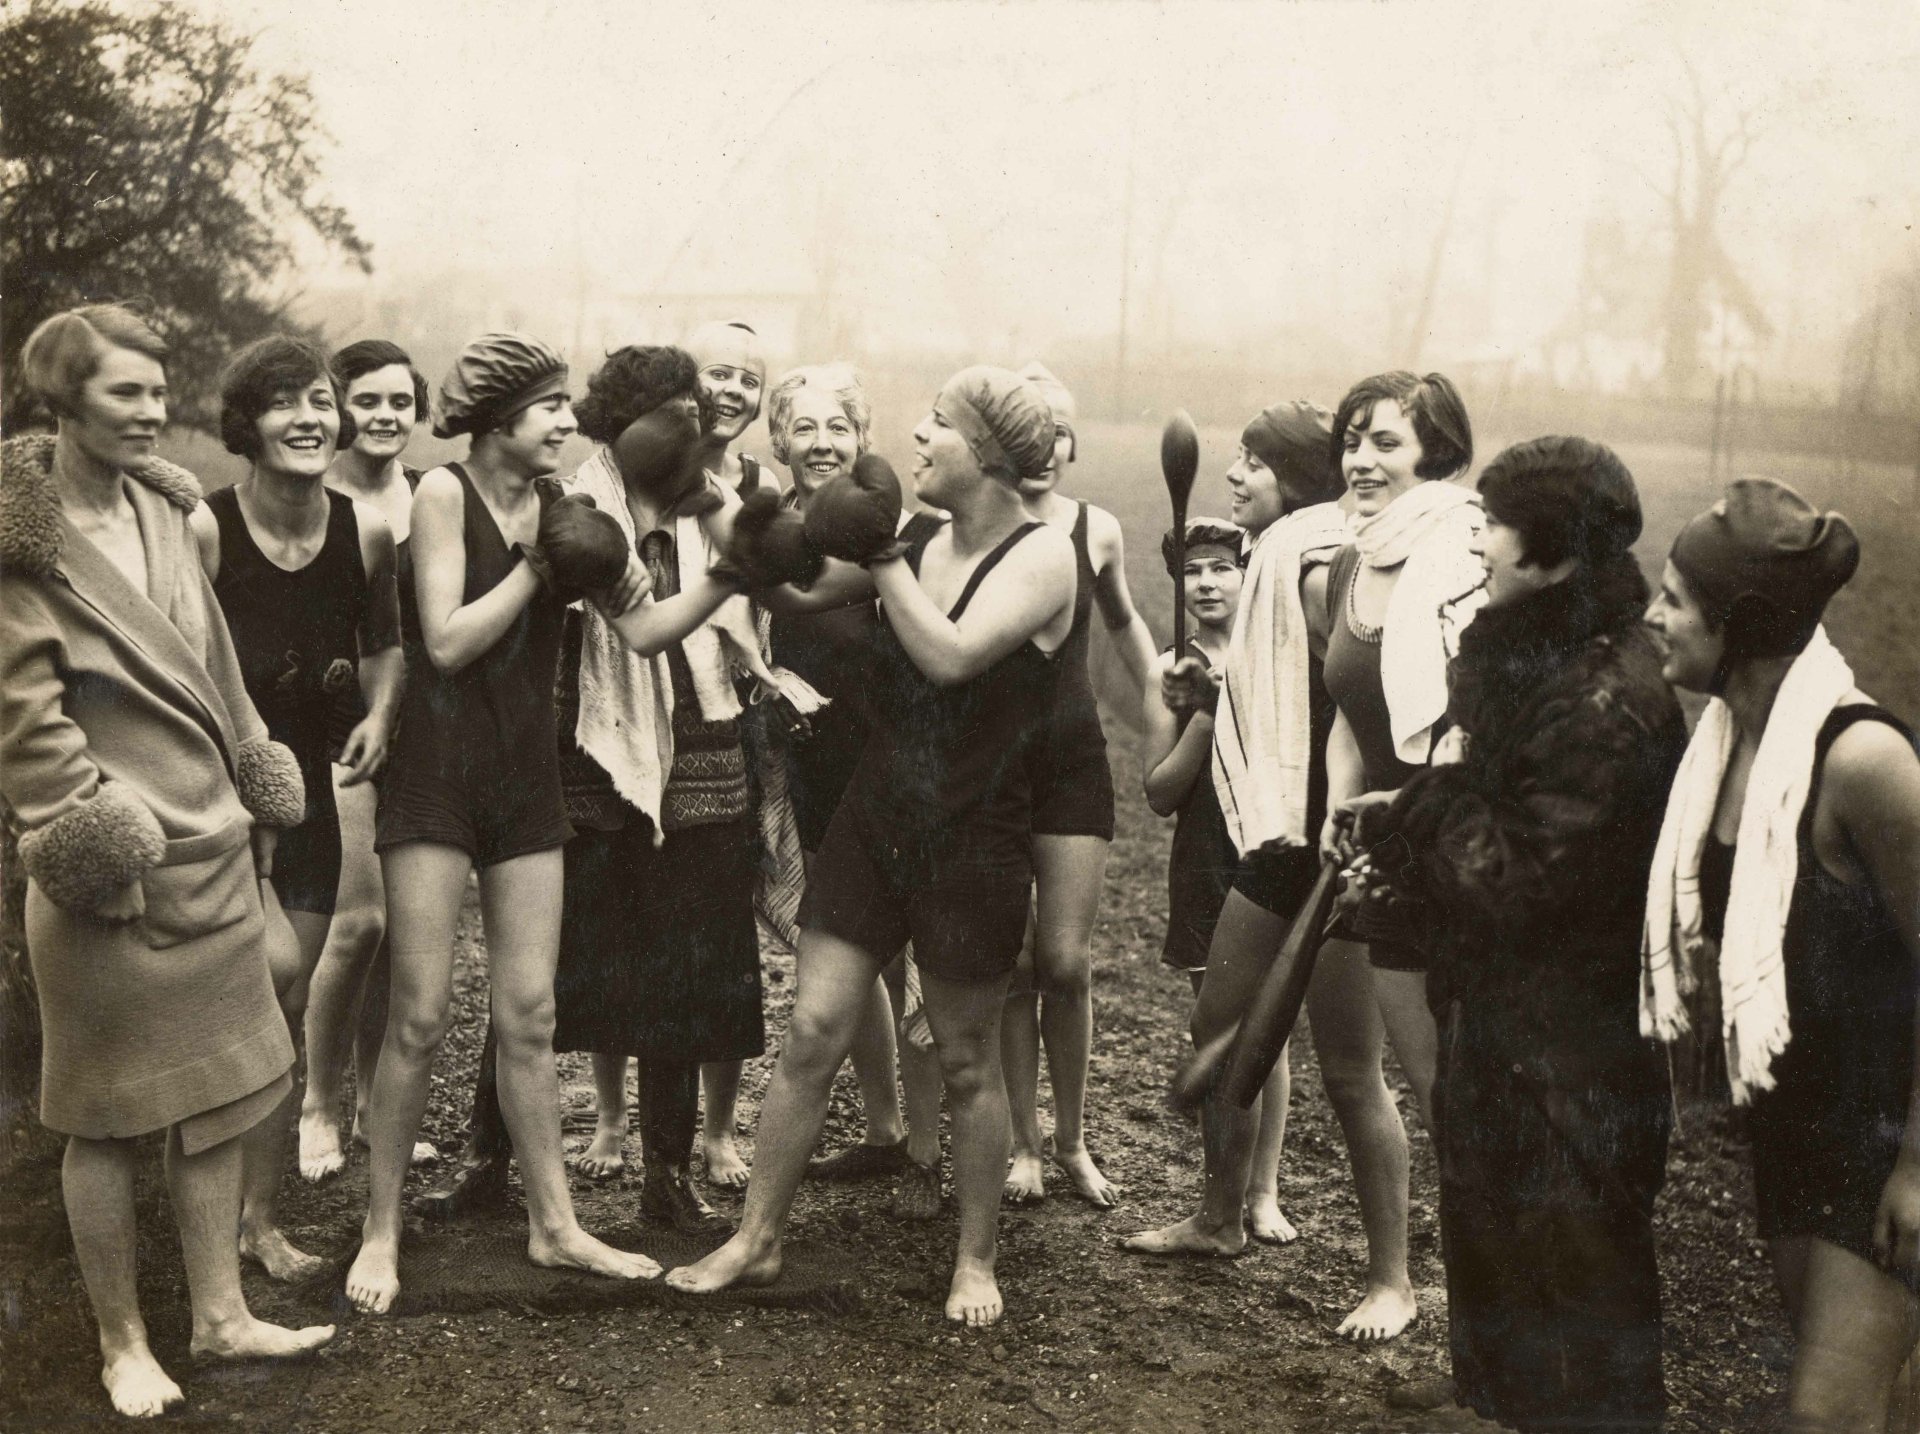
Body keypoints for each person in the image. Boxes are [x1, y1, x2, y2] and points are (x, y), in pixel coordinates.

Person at [667, 365, 1077, 1328]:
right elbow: (796, 584)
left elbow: (950, 655)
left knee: (969, 1056)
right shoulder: (924, 537)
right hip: (876, 815)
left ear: (984, 452)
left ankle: (976, 1260)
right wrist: (706, 493)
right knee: (812, 1031)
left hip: (974, 837)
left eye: (940, 422)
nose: (920, 437)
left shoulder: (1042, 555)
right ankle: (757, 1239)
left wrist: (883, 554)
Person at [1, 305, 334, 1418]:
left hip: (214, 848)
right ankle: (121, 1341)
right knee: (106, 1119)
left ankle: (222, 1314)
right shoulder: (22, 543)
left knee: (225, 1096)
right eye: (125, 395)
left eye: (158, 391)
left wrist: (255, 772)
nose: (152, 413)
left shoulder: (167, 510)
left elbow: (219, 668)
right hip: (116, 870)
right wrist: (98, 847)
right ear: (65, 402)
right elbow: (26, 726)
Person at [1356, 437, 1683, 1429]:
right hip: (1516, 1050)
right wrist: (1413, 811)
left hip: (1566, 1076)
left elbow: (1512, 882)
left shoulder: (1597, 702)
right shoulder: (1551, 656)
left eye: (1495, 524)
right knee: (1525, 1334)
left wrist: (1416, 817)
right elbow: (1502, 813)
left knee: (1578, 1346)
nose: (1480, 544)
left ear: (1552, 551)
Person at [345, 332, 657, 1314]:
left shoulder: (568, 509)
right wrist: (535, 565)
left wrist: (722, 579)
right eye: (551, 409)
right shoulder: (444, 495)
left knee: (531, 1015)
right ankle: (381, 1232)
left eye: (569, 408)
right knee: (422, 1014)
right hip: (436, 778)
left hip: (526, 782)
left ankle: (556, 1226)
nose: (568, 424)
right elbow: (443, 640)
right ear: (497, 419)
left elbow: (640, 625)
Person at [1643, 477, 1920, 1433]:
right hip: (1800, 1131)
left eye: (1674, 599)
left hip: (1890, 1134)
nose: (1652, 615)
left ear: (1744, 626)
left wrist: (1919, 1168)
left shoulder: (1863, 764)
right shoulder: (1729, 745)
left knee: (1826, 1416)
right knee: (1863, 1401)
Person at [191, 336, 405, 1281]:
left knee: (283, 998)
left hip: (312, 794)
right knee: (216, 1005)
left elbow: (385, 647)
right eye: (286, 404)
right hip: (216, 798)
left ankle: (258, 1223)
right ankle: (196, 1217)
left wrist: (381, 718)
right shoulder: (204, 530)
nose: (310, 419)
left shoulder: (363, 530)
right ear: (248, 425)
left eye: (322, 400)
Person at [548, 344, 770, 1231]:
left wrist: (719, 510)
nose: (692, 418)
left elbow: (758, 566)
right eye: (672, 407)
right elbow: (636, 631)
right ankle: (491, 1163)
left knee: (689, 964)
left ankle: (666, 1179)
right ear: (628, 421)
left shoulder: (702, 492)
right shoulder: (578, 501)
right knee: (556, 961)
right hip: (597, 748)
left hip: (707, 736)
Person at [1123, 402, 1345, 1261]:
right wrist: (1210, 704)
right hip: (1275, 846)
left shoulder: (1312, 574)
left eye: (1251, 461)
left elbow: (1350, 701)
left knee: (1346, 1068)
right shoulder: (1286, 578)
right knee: (1234, 1029)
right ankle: (1221, 1214)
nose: (1233, 473)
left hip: (1314, 841)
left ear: (1291, 476)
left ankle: (1276, 1212)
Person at [1318, 369, 1483, 1341]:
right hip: (1378, 844)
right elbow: (1348, 706)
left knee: (1444, 1086)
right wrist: (1341, 812)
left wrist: (1409, 809)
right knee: (1383, 1071)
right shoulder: (1353, 559)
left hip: (1453, 844)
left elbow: (1478, 721)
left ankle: (1483, 1293)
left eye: (1386, 441)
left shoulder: (1463, 549)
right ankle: (1395, 1281)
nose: (1361, 459)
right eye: (1352, 439)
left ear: (1439, 453)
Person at [993, 362, 1157, 1209]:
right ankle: (1022, 1144)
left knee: (1065, 960)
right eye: (1031, 428)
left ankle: (1073, 1141)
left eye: (1060, 428)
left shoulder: (1096, 528)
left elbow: (1127, 627)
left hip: (1071, 761)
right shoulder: (974, 527)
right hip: (991, 771)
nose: (1049, 444)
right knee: (1015, 963)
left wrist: (1168, 707)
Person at [298, 339, 435, 1182]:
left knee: (399, 937)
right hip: (340, 723)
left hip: (427, 729)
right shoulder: (319, 496)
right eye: (368, 401)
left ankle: (378, 1107)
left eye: (400, 403)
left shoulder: (432, 496)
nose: (384, 417)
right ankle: (317, 1102)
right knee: (357, 924)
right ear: (339, 407)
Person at [687, 317, 791, 1190]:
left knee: (724, 931)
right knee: (631, 919)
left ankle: (719, 1132)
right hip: (653, 714)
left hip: (737, 722)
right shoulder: (637, 469)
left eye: (747, 381)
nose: (731, 393)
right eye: (717, 373)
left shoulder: (769, 486)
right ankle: (612, 1117)